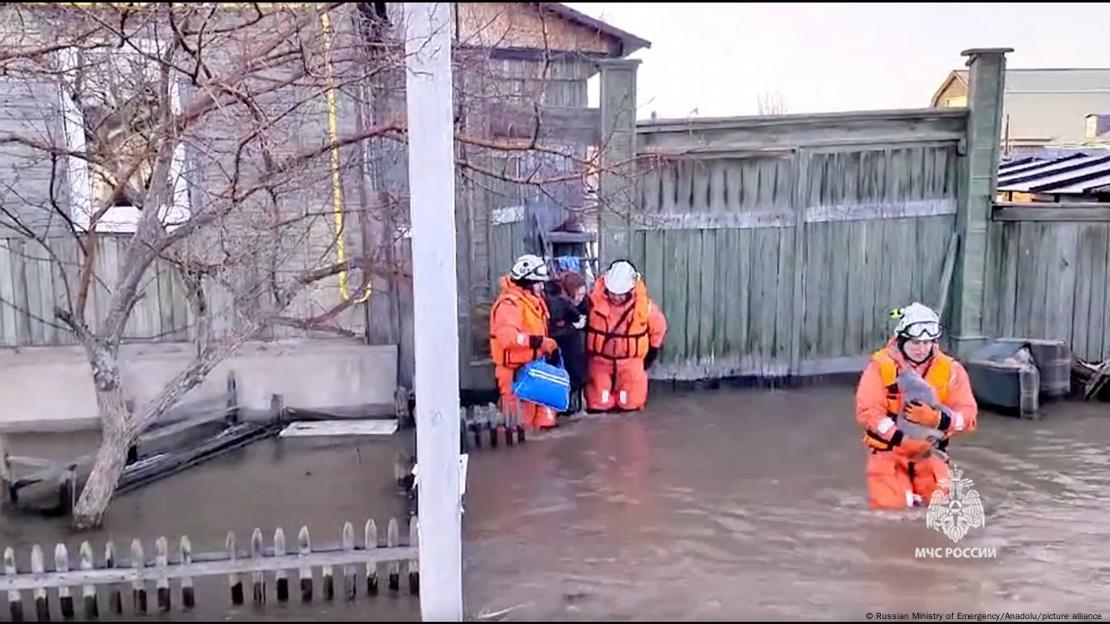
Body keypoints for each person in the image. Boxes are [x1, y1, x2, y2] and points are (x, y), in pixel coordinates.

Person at [855, 302, 978, 510]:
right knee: (891, 514)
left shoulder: (951, 370)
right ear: (902, 340)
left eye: (927, 342)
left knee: (942, 510)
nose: (921, 349)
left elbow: (968, 416)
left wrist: (940, 420)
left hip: (930, 453)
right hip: (889, 453)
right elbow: (869, 412)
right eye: (915, 342)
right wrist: (902, 440)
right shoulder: (880, 367)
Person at [584, 259, 667, 413]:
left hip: (631, 364)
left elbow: (658, 328)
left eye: (620, 294)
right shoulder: (592, 303)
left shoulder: (645, 308)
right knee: (597, 407)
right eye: (613, 293)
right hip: (599, 362)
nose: (616, 297)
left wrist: (652, 354)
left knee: (630, 407)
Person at [489, 254, 559, 431]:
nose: (541, 287)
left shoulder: (530, 302)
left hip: (534, 368)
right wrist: (538, 342)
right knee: (519, 427)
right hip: (515, 373)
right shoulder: (509, 305)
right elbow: (508, 338)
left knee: (542, 423)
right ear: (528, 283)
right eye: (538, 282)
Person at [546, 270, 589, 417]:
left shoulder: (581, 304)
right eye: (579, 294)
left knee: (576, 376)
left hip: (575, 353)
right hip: (559, 353)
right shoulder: (555, 304)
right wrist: (573, 327)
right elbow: (550, 332)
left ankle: (573, 405)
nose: (581, 298)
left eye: (583, 294)